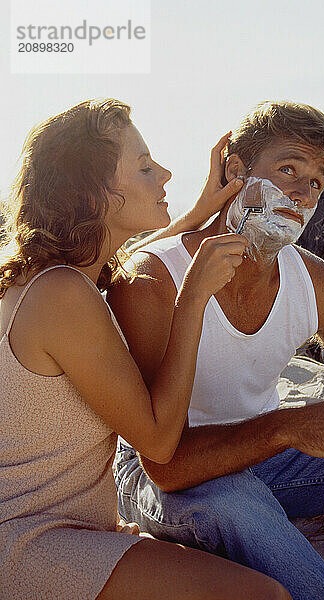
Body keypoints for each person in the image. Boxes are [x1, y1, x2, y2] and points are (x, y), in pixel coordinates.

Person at [0, 99, 292, 600]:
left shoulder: (47, 278)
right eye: (144, 167)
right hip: (32, 541)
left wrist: (197, 216)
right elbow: (157, 442)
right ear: (92, 195)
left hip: (52, 525)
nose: (166, 173)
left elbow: (122, 260)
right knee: (263, 596)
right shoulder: (64, 295)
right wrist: (193, 298)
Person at [108, 101, 324, 600]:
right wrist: (292, 425)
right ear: (237, 171)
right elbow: (167, 463)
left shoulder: (314, 281)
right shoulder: (152, 278)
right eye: (288, 169)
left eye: (317, 181)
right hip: (163, 479)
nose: (301, 193)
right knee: (235, 503)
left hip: (267, 459)